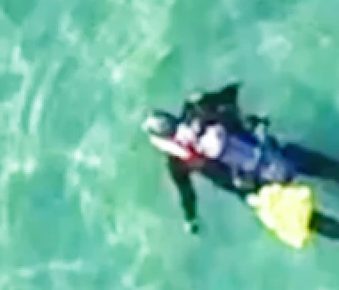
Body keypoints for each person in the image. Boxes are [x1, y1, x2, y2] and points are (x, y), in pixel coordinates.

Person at [144, 84, 339, 245]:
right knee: (324, 168)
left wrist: (191, 219)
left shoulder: (178, 162)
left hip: (259, 190)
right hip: (270, 155)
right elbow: (230, 94)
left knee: (308, 218)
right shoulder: (197, 109)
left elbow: (187, 194)